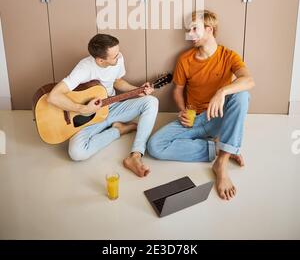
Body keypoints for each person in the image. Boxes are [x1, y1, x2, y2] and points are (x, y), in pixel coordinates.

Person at [147, 10, 255, 200]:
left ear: (209, 29)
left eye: (194, 29)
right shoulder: (185, 59)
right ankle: (222, 149)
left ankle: (221, 163)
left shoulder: (228, 56)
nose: (189, 34)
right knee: (155, 146)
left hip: (217, 117)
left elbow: (249, 80)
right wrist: (182, 111)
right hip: (193, 119)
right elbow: (177, 91)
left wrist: (222, 92)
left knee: (242, 96)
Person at [47, 33, 159, 177]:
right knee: (76, 153)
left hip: (112, 106)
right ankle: (118, 130)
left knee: (152, 102)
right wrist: (83, 108)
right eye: (114, 56)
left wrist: (137, 91)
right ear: (100, 60)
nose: (119, 57)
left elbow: (117, 81)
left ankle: (135, 156)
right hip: (87, 118)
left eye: (118, 53)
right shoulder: (84, 68)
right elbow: (53, 97)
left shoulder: (118, 58)